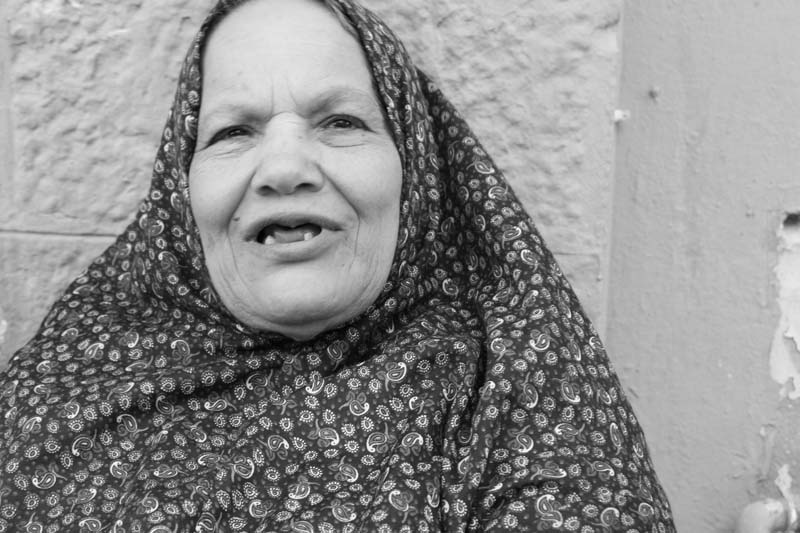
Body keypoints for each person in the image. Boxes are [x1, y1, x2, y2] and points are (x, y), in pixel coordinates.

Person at [0, 0, 675, 531]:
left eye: (341, 122)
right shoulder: (52, 404)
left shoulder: (513, 388)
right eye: (234, 131)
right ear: (179, 193)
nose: (287, 168)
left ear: (415, 166)